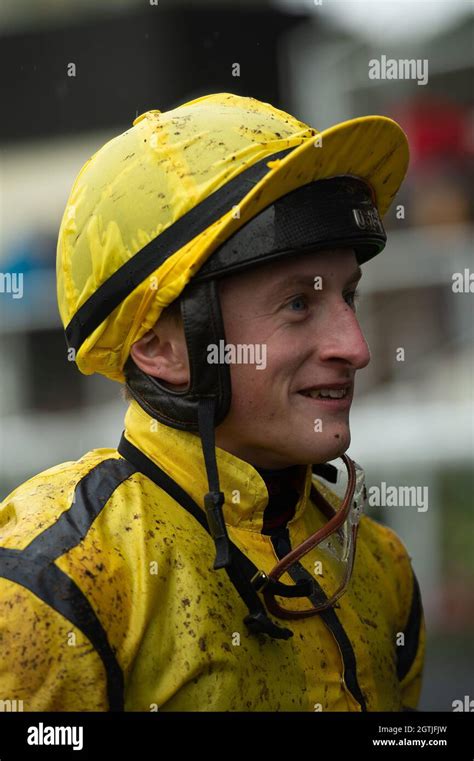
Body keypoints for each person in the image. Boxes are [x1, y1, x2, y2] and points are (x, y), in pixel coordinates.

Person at [0, 93, 424, 712]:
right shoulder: (57, 580)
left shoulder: (382, 567)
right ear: (162, 347)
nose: (355, 348)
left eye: (348, 296)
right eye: (299, 304)